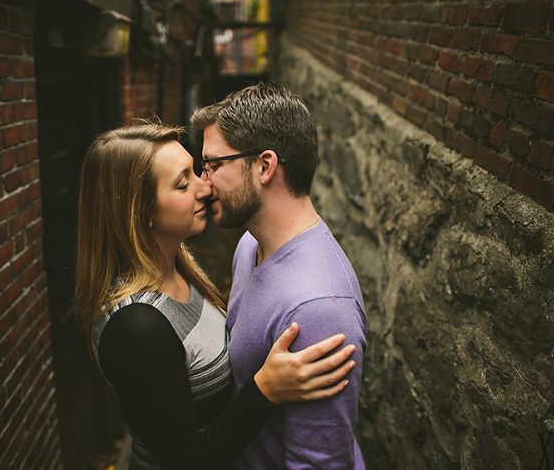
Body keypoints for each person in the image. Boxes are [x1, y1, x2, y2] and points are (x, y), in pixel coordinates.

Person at [75, 123, 358, 470]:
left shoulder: (177, 267)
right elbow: (184, 463)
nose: (204, 186)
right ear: (141, 211)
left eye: (197, 171)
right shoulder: (135, 326)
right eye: (183, 183)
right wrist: (266, 388)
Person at [191, 83, 368, 469]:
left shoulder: (317, 308)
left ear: (265, 166)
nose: (204, 183)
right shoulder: (248, 246)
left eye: (214, 165)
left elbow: (319, 463)